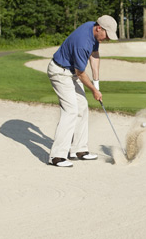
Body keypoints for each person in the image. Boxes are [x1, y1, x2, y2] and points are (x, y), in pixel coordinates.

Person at [47, 15, 118, 167]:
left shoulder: (92, 29)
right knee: (71, 110)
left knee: (82, 106)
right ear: (99, 28)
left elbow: (95, 56)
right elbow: (81, 73)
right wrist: (93, 90)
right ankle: (57, 156)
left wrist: (96, 83)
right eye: (106, 35)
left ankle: (79, 150)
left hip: (70, 72)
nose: (107, 39)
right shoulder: (82, 43)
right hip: (60, 72)